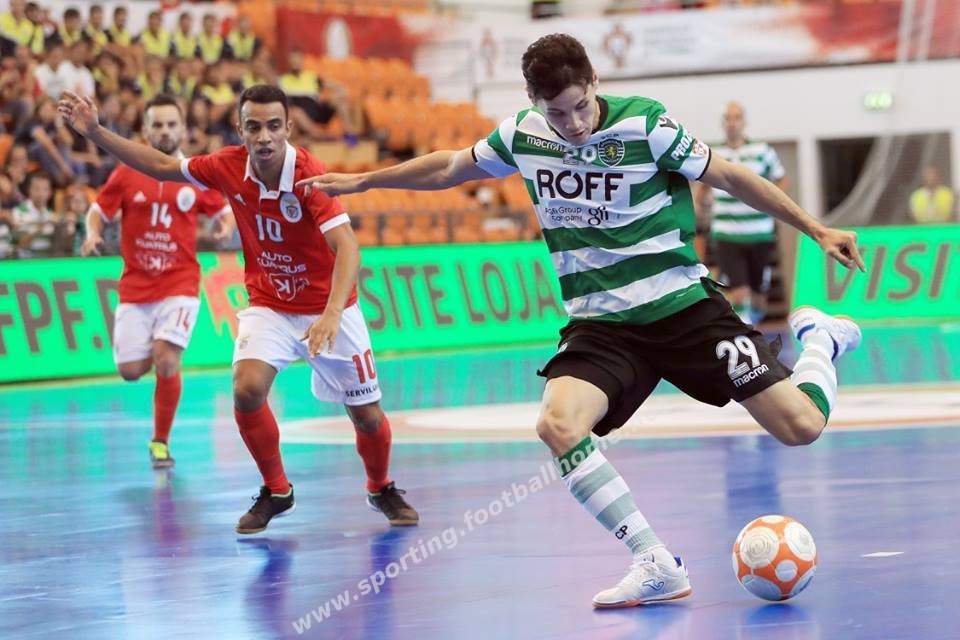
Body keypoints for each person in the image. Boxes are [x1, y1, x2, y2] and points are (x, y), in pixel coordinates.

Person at [295, 33, 866, 607]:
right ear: (534, 102)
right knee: (558, 425)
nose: (572, 124)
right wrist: (366, 180)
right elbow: (449, 167)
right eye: (557, 113)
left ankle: (819, 339)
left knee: (800, 426)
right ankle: (654, 561)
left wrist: (816, 229)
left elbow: (731, 177)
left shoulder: (646, 124)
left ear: (594, 82)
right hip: (602, 324)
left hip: (683, 308)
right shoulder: (523, 133)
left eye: (580, 107)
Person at [59, 84, 420, 534]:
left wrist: (330, 315)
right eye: (254, 127)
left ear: (288, 128)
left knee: (366, 415)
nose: (264, 136)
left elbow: (348, 248)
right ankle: (277, 490)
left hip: (330, 307)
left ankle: (380, 487)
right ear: (240, 129)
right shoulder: (226, 166)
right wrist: (96, 132)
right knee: (246, 389)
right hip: (270, 305)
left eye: (273, 126)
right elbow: (162, 166)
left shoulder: (308, 175)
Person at [81, 94, 234, 469]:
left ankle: (160, 441)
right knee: (130, 371)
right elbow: (97, 211)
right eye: (158, 125)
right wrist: (92, 234)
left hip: (180, 283)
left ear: (183, 129)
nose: (165, 131)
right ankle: (162, 347)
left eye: (171, 124)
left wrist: (223, 227)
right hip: (136, 287)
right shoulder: (126, 173)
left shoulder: (194, 173)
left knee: (167, 359)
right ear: (146, 131)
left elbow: (224, 211)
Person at [694, 101, 787, 324]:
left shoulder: (762, 151)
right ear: (723, 122)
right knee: (739, 292)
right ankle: (744, 332)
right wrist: (697, 208)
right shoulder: (713, 153)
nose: (732, 123)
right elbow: (702, 187)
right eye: (728, 118)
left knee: (758, 299)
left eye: (736, 118)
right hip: (727, 233)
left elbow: (782, 180)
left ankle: (751, 323)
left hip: (759, 232)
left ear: (744, 122)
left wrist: (774, 205)